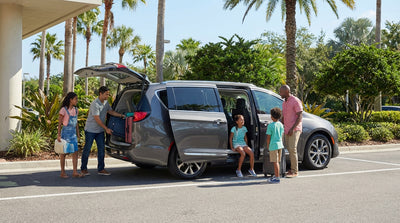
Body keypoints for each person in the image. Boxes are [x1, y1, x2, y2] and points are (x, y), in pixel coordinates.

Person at [81, 86, 125, 176]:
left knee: (101, 149)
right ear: (100, 94)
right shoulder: (95, 104)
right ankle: (83, 169)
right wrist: (106, 129)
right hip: (90, 130)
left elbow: (111, 112)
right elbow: (97, 119)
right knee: (87, 149)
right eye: (106, 94)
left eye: (108, 94)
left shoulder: (106, 103)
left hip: (100, 131)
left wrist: (121, 115)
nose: (107, 96)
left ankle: (101, 169)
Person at [57, 92, 84, 178]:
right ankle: (62, 172)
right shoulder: (63, 110)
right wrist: (58, 135)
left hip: (73, 134)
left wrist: (78, 133)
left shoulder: (76, 110)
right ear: (70, 100)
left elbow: (76, 123)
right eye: (75, 99)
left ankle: (75, 172)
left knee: (75, 152)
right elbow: (60, 123)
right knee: (63, 153)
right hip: (65, 133)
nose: (77, 101)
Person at [280, 85, 303, 178]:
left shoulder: (295, 101)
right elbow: (284, 117)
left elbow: (300, 116)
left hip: (294, 129)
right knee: (289, 149)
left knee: (292, 149)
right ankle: (292, 168)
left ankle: (295, 171)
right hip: (286, 129)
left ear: (287, 92)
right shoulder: (284, 103)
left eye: (281, 92)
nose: (280, 93)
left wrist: (292, 129)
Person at [266, 107, 284, 184]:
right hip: (280, 145)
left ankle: (277, 178)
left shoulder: (270, 126)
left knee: (275, 162)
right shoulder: (280, 124)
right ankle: (277, 175)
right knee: (278, 162)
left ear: (272, 116)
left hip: (273, 145)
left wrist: (268, 146)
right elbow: (282, 135)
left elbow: (268, 137)